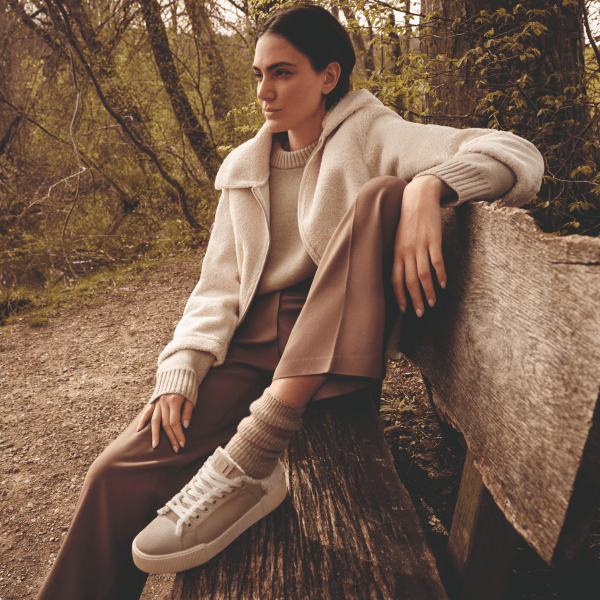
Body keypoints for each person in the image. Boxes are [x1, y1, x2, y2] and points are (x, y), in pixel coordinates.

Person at [36, 4, 543, 599]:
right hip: (249, 344)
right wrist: (182, 365)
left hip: (334, 339)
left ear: (328, 76)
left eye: (282, 72)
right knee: (114, 475)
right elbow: (218, 284)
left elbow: (517, 154)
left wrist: (430, 186)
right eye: (258, 75)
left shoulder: (372, 132)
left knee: (383, 194)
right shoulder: (243, 169)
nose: (264, 91)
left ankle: (254, 453)